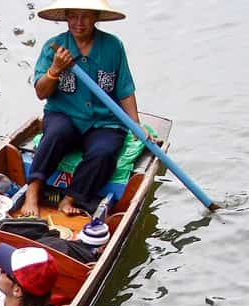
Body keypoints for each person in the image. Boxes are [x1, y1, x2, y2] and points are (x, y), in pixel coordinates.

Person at [21, 0, 160, 217]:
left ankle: (69, 198)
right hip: (64, 114)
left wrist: (135, 125)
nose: (79, 23)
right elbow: (41, 93)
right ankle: (32, 191)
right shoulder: (54, 47)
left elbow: (124, 89)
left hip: (105, 121)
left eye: (85, 16)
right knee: (56, 134)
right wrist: (55, 69)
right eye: (73, 16)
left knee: (104, 153)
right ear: (66, 17)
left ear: (96, 18)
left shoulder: (113, 47)